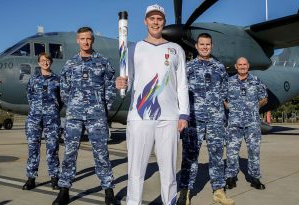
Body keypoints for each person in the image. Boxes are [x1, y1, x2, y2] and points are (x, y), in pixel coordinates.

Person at [115, 4, 189, 205]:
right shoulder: (133, 48)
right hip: (139, 117)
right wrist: (120, 82)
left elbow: (182, 84)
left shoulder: (176, 50)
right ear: (145, 21)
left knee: (168, 171)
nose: (155, 22)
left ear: (163, 22)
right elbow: (126, 80)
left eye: (159, 19)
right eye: (151, 18)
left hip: (169, 118)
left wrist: (184, 114)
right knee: (136, 170)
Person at [52, 27, 118, 205]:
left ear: (92, 40)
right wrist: (73, 104)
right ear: (77, 40)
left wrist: (102, 108)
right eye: (82, 39)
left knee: (101, 153)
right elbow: (64, 90)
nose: (86, 42)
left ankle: (108, 190)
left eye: (88, 39)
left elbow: (111, 88)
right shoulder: (70, 64)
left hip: (97, 115)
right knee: (70, 152)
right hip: (74, 115)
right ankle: (64, 190)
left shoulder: (103, 62)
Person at [176, 33, 234, 205]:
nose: (204, 47)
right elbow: (180, 92)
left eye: (207, 44)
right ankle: (185, 192)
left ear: (212, 46)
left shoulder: (220, 67)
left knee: (216, 155)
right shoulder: (188, 67)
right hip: (194, 119)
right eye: (201, 44)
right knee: (190, 156)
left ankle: (218, 191)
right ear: (196, 46)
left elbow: (225, 93)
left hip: (215, 119)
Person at [225, 57, 268, 190]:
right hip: (234, 123)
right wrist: (229, 107)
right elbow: (222, 99)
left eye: (245, 64)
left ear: (248, 66)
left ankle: (255, 178)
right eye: (240, 65)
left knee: (254, 151)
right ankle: (231, 177)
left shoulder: (256, 81)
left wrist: (255, 107)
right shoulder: (229, 82)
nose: (242, 66)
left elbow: (264, 98)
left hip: (252, 123)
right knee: (232, 151)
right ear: (236, 66)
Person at [22, 52, 61, 191]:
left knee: (52, 148)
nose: (45, 63)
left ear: (51, 62)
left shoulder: (58, 80)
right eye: (42, 60)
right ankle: (31, 178)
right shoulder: (33, 80)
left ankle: (55, 177)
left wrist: (52, 109)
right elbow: (29, 96)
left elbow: (61, 99)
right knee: (33, 147)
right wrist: (37, 109)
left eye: (47, 60)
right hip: (34, 118)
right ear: (39, 63)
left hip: (52, 118)